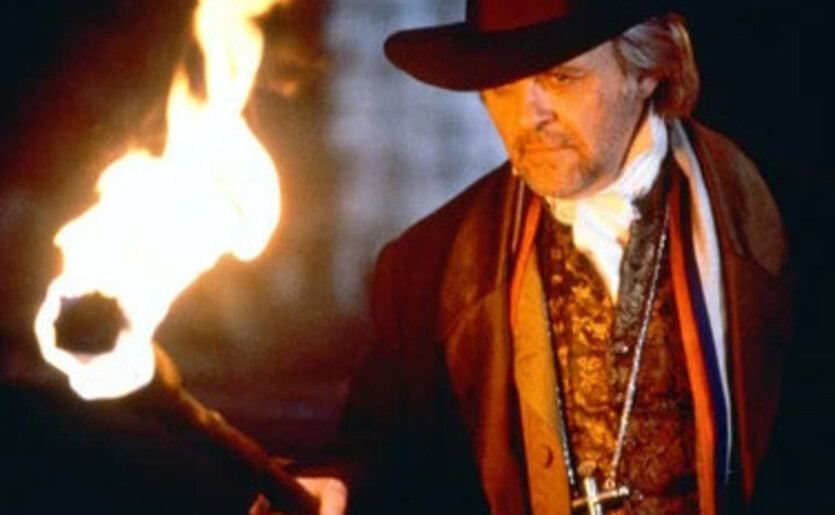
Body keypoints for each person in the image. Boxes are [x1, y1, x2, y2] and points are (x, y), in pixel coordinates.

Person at [298, 0, 792, 513]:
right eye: (502, 86)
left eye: (561, 78)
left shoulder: (787, 226)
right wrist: (339, 485)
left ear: (647, 71)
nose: (527, 116)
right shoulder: (429, 267)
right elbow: (380, 455)